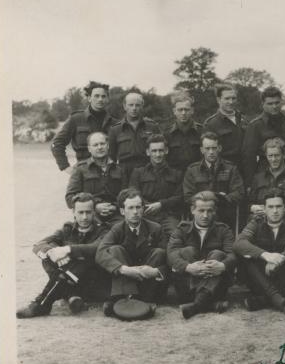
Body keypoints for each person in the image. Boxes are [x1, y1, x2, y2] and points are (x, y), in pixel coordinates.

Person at [16, 193, 109, 318]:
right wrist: (52, 252)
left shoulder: (103, 230)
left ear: (94, 212)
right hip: (69, 279)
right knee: (47, 259)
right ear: (73, 212)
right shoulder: (68, 229)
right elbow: (40, 244)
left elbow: (97, 247)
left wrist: (68, 250)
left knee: (83, 261)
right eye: (80, 212)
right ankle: (72, 294)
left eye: (88, 212)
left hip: (93, 282)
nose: (85, 217)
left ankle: (41, 304)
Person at [233, 188, 285, 315]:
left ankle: (266, 300)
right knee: (247, 255)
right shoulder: (257, 221)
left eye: (278, 206)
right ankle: (277, 299)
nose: (275, 211)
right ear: (264, 208)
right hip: (260, 277)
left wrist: (282, 257)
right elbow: (239, 243)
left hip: (284, 276)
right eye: (270, 207)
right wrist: (266, 255)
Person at [95, 188, 168, 316]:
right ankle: (125, 299)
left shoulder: (155, 228)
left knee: (159, 252)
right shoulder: (117, 229)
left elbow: (169, 257)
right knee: (114, 250)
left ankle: (141, 301)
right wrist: (123, 269)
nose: (135, 212)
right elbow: (100, 253)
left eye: (138, 207)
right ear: (122, 211)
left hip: (147, 281)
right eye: (130, 208)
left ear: (143, 209)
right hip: (126, 279)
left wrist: (156, 272)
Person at [167, 191, 236, 318]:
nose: (205, 215)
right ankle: (209, 304)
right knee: (187, 251)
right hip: (188, 285)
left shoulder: (223, 230)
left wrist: (223, 266)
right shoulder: (182, 229)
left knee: (218, 254)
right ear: (192, 210)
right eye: (201, 210)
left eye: (209, 211)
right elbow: (171, 255)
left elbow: (233, 254)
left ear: (214, 211)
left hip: (215, 287)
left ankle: (196, 305)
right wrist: (188, 267)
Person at [51, 81, 118, 173]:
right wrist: (66, 167)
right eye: (96, 96)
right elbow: (57, 143)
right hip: (84, 173)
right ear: (89, 98)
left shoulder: (115, 123)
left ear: (107, 99)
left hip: (109, 173)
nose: (100, 99)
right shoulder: (76, 119)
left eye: (103, 96)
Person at [182, 132, 245, 229]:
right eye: (207, 149)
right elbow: (187, 196)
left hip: (224, 213)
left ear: (219, 148)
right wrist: (204, 200)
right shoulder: (192, 170)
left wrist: (224, 198)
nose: (211, 152)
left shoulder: (231, 168)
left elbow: (238, 193)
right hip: (200, 215)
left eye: (214, 148)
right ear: (202, 150)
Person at [65, 132, 126, 227]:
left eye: (102, 144)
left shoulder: (119, 169)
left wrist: (115, 207)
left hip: (116, 216)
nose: (99, 147)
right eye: (95, 145)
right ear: (89, 148)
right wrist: (94, 206)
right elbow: (69, 198)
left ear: (108, 146)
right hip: (89, 216)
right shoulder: (80, 169)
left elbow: (126, 196)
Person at [129, 134, 184, 240]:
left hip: (168, 216)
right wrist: (147, 206)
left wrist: (161, 204)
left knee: (176, 236)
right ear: (147, 152)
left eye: (161, 150)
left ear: (166, 151)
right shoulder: (138, 173)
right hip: (145, 214)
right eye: (154, 151)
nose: (158, 154)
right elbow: (132, 194)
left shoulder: (176, 174)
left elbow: (180, 197)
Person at [241, 86, 285, 185]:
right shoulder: (255, 125)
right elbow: (248, 158)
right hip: (264, 175)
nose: (274, 106)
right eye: (270, 103)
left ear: (281, 102)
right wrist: (250, 184)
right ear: (263, 104)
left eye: (277, 103)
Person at [108, 90, 161, 180]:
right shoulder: (115, 130)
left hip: (147, 170)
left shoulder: (152, 127)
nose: (134, 108)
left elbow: (161, 150)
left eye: (137, 105)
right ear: (125, 106)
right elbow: (111, 157)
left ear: (142, 107)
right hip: (124, 172)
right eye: (131, 105)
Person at [248, 137, 285, 217]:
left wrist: (272, 210)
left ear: (284, 155)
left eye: (277, 155)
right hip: (261, 220)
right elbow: (249, 202)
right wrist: (252, 207)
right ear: (266, 156)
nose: (273, 159)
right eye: (270, 156)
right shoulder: (258, 178)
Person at [203, 83, 248, 168]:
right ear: (218, 100)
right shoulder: (211, 124)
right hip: (224, 172)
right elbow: (209, 154)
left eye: (233, 98)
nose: (231, 102)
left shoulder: (244, 120)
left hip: (246, 169)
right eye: (227, 98)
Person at [164, 91, 204, 172]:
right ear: (174, 111)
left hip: (197, 176)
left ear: (192, 110)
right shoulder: (167, 133)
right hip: (175, 177)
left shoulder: (202, 131)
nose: (183, 113)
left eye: (186, 109)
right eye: (180, 110)